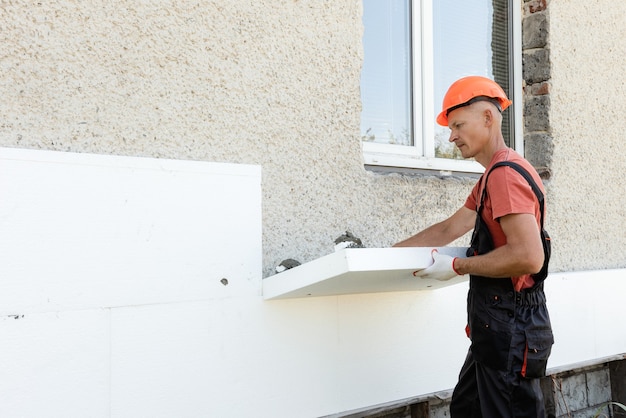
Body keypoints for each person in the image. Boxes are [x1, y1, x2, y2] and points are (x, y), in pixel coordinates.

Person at [394, 76, 553, 417]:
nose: (450, 136)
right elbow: (451, 227)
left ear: (487, 118)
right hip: (496, 326)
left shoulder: (504, 175)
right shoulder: (489, 178)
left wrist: (457, 266)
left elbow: (529, 257)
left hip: (511, 326)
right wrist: (390, 254)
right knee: (467, 407)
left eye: (458, 126)